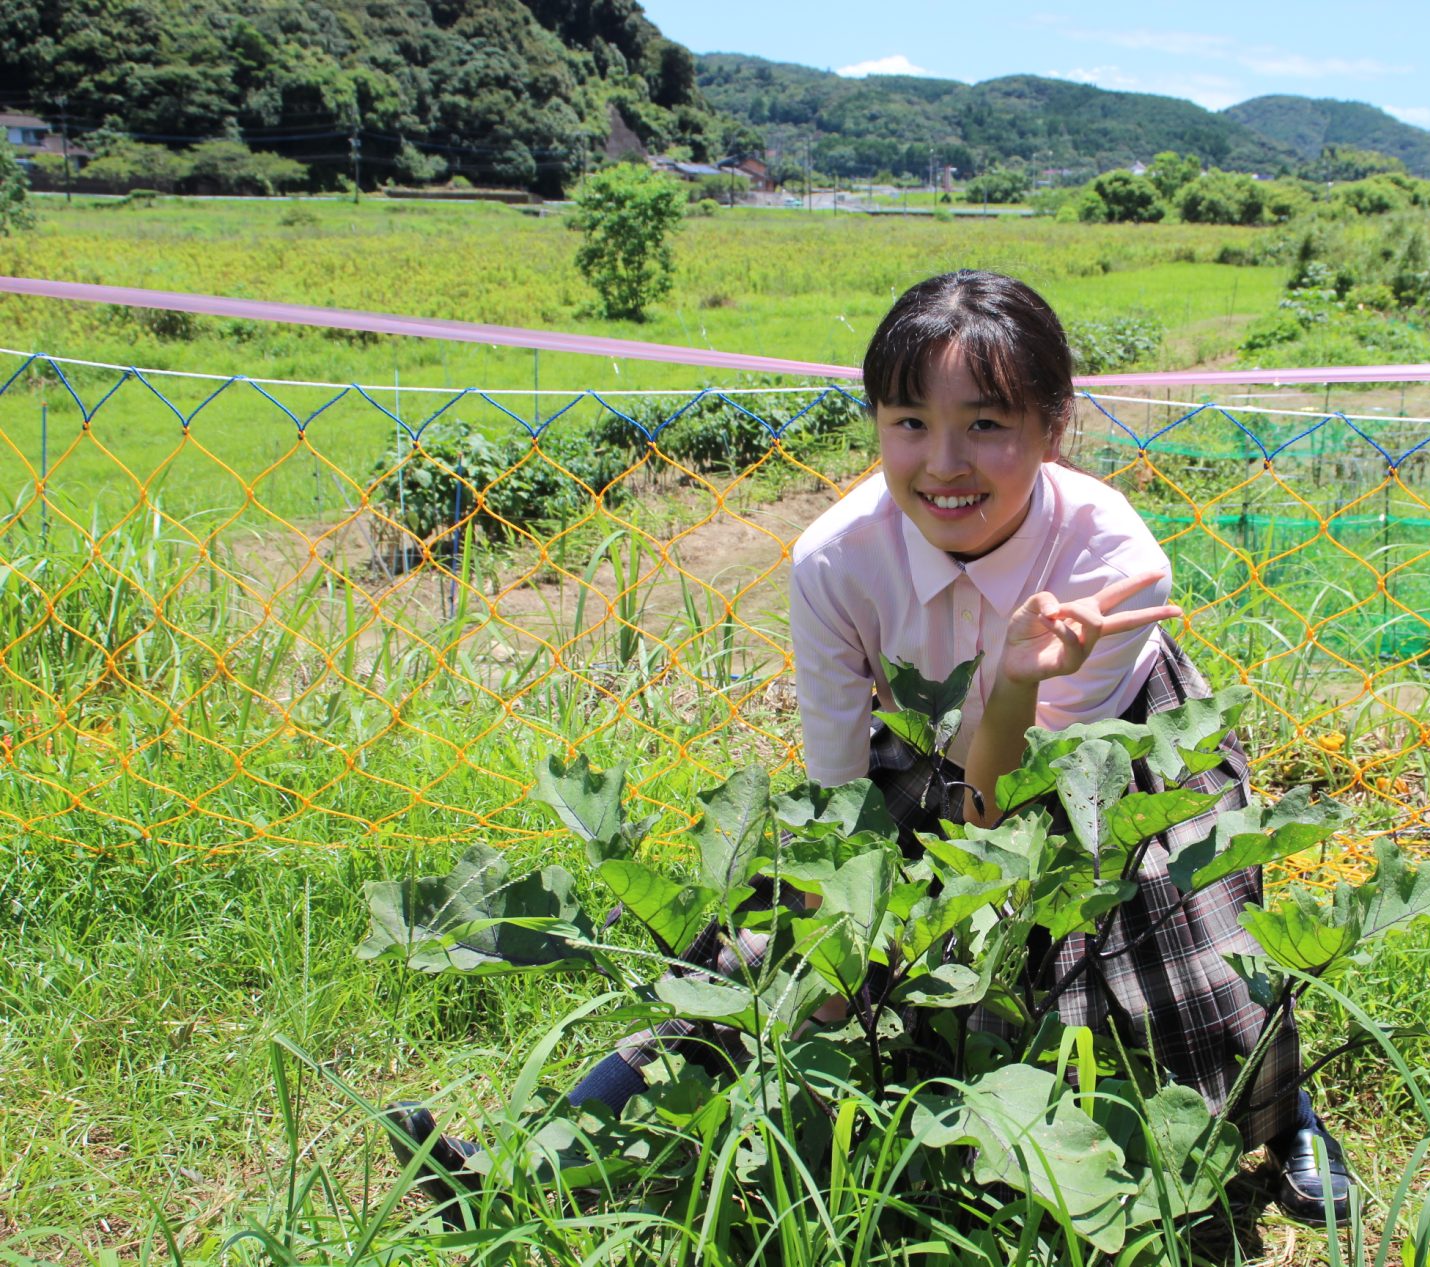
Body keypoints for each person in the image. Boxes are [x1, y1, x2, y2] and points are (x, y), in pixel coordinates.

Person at [389, 269, 1357, 1227]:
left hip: (1119, 760)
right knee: (760, 964)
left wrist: (1019, 676)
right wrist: (827, 961)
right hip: (922, 759)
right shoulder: (835, 561)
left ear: (1054, 428)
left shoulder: (1113, 562)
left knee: (1183, 963)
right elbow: (834, 807)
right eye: (908, 423)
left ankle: (1287, 1118)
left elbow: (1011, 811)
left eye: (985, 424)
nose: (943, 464)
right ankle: (534, 1160)